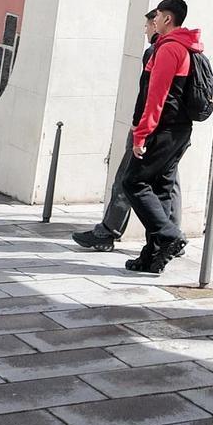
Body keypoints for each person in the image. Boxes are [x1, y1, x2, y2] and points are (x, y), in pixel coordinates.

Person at [70, 15, 183, 256]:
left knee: (128, 179)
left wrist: (138, 130)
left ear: (159, 22)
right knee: (169, 185)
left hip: (152, 130)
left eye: (147, 24)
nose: (145, 29)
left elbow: (150, 96)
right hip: (174, 132)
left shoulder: (157, 51)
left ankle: (111, 231)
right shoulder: (185, 50)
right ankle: (169, 237)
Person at [119, 0, 203, 274]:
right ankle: (152, 257)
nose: (152, 20)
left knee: (133, 182)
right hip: (178, 130)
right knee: (162, 190)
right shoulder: (185, 47)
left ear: (167, 19)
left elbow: (156, 96)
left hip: (164, 130)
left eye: (156, 16)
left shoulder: (169, 49)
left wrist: (141, 134)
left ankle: (170, 236)